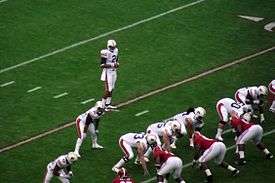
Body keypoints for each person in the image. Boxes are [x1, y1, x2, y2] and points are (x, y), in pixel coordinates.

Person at [100, 39, 119, 110]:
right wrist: (112, 65)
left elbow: (116, 59)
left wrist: (116, 63)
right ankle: (102, 106)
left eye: (114, 47)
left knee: (112, 89)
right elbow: (102, 65)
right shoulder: (105, 52)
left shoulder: (116, 50)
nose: (113, 48)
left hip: (114, 71)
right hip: (107, 73)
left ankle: (108, 104)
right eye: (111, 47)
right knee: (108, 90)